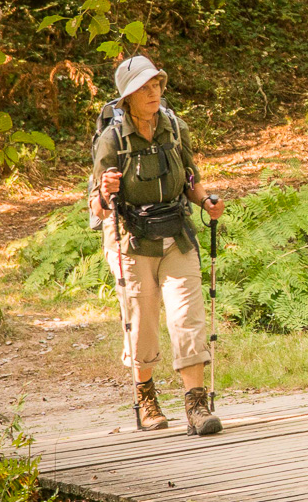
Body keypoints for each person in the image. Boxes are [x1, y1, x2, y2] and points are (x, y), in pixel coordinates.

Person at [91, 55, 228, 435]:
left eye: (156, 85)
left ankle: (196, 407)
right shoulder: (111, 140)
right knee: (143, 323)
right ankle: (146, 397)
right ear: (128, 98)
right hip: (132, 239)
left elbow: (190, 179)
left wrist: (206, 202)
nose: (153, 93)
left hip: (176, 232)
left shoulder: (174, 128)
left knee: (187, 317)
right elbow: (97, 206)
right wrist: (104, 193)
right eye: (144, 88)